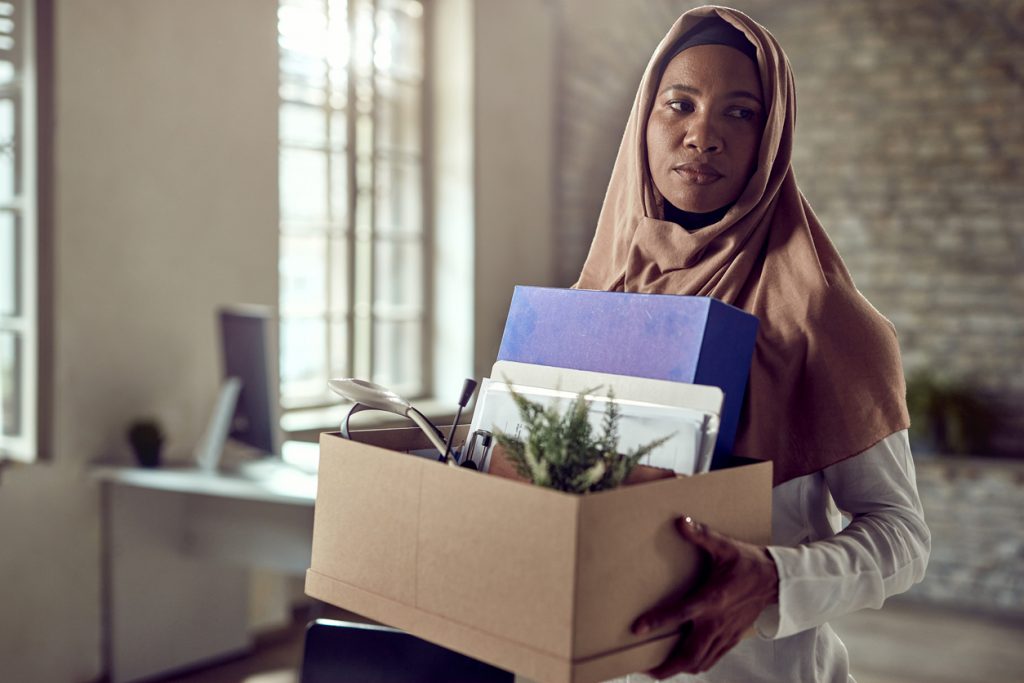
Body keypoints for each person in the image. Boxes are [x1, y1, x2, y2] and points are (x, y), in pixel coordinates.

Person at [573, 6, 930, 682]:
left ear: (773, 139)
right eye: (679, 104)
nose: (702, 134)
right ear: (644, 121)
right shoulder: (595, 302)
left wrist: (773, 578)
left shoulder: (823, 316)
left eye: (740, 113)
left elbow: (903, 537)